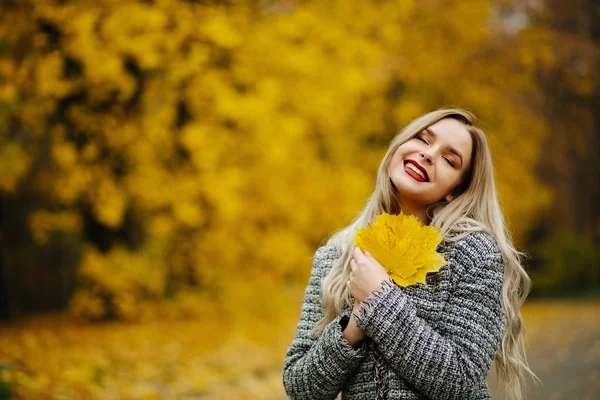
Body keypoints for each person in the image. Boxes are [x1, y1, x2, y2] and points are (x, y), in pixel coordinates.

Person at [282, 109, 540, 399]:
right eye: (422, 139)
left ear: (455, 190)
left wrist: (381, 302)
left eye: (448, 159)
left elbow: (461, 380)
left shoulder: (474, 253)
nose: (429, 155)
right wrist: (354, 324)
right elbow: (300, 389)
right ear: (399, 147)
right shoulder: (336, 255)